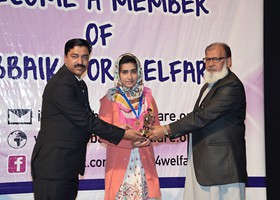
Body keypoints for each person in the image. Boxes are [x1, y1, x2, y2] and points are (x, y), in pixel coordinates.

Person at [31, 39, 146, 200]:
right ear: (65, 58)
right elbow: (86, 121)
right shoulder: (62, 84)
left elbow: (89, 117)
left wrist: (119, 128)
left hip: (67, 166)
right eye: (75, 56)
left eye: (85, 57)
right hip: (53, 166)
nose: (80, 61)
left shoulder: (79, 84)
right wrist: (122, 134)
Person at [147, 42, 247, 200]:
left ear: (228, 61)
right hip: (206, 165)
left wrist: (166, 130)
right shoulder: (209, 86)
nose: (211, 64)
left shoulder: (231, 86)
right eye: (207, 60)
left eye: (216, 59)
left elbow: (202, 116)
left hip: (223, 168)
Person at [98, 53, 161, 200]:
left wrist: (149, 137)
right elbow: (102, 134)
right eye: (125, 72)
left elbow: (156, 127)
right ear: (118, 74)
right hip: (120, 164)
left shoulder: (148, 98)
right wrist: (128, 141)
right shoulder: (110, 99)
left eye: (133, 71)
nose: (130, 76)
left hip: (144, 162)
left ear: (139, 72)